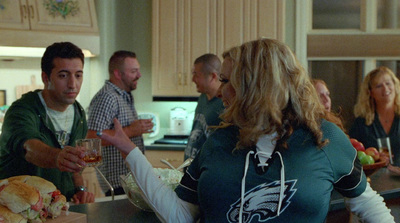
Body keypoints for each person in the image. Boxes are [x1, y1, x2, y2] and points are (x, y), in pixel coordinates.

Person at [98, 39, 394, 222]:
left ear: (257, 87)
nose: (220, 90)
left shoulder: (324, 138)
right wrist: (130, 152)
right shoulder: (218, 143)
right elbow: (179, 217)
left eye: (227, 81)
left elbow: (370, 207)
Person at [0, 42, 95, 204]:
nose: (73, 84)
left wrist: (80, 190)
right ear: (45, 78)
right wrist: (58, 156)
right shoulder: (22, 110)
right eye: (63, 75)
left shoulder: (78, 113)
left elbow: (75, 166)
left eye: (78, 75)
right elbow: (30, 148)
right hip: (21, 208)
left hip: (59, 205)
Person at [87, 50, 153, 196]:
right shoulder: (107, 97)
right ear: (118, 74)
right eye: (134, 71)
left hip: (128, 179)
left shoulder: (124, 95)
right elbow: (91, 137)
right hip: (117, 181)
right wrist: (131, 130)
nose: (139, 75)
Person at [349, 66, 400, 167]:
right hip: (373, 179)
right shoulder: (361, 123)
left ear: (395, 86)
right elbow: (350, 156)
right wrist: (374, 158)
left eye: (388, 83)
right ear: (370, 92)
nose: (385, 89)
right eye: (379, 86)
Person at [184, 53, 224, 160]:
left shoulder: (224, 103)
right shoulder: (202, 97)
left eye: (196, 75)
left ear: (213, 76)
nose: (193, 79)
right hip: (191, 169)